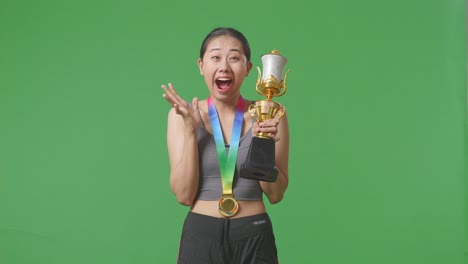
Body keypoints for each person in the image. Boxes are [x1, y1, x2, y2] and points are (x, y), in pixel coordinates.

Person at [161, 27, 290, 264]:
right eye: (215, 57)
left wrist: (263, 145)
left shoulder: (271, 115)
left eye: (234, 58)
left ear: (248, 68)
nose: (224, 66)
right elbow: (183, 195)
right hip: (201, 233)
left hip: (254, 232)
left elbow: (276, 194)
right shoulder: (182, 115)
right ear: (201, 65)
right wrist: (191, 132)